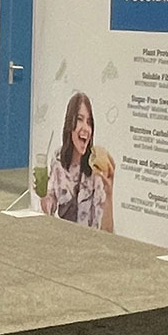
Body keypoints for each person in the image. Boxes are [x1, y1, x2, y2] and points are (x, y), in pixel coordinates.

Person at [42, 92, 115, 231]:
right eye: (80, 119)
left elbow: (107, 232)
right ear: (70, 123)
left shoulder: (95, 169)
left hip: (88, 240)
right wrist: (42, 194)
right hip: (62, 236)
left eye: (89, 122)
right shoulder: (58, 159)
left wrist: (109, 194)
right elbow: (48, 209)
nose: (85, 128)